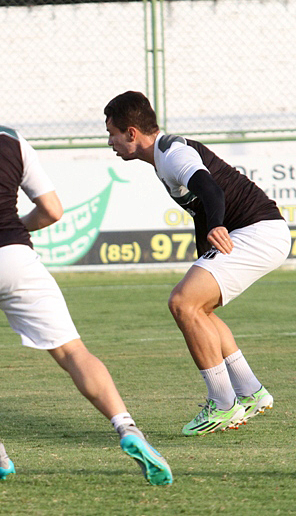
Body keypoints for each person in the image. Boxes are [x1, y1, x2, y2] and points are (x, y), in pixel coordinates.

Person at [0, 59, 172, 485]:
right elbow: (53, 210)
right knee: (73, 352)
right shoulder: (12, 138)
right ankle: (127, 428)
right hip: (15, 256)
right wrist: (11, 229)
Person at [104, 91, 290, 436]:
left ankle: (223, 403)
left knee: (182, 303)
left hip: (257, 231)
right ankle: (250, 392)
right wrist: (203, 251)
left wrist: (218, 225)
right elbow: (202, 210)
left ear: (131, 133)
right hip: (261, 232)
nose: (110, 143)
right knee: (198, 308)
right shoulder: (163, 158)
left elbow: (212, 191)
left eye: (112, 134)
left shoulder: (173, 153)